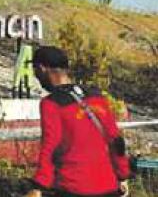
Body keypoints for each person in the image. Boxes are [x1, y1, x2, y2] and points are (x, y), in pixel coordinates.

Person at [26, 46, 130, 197]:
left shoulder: (51, 103)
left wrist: (39, 185)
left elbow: (50, 146)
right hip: (108, 186)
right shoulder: (97, 96)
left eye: (35, 70)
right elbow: (116, 140)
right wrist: (122, 175)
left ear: (42, 68)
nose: (36, 75)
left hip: (73, 187)